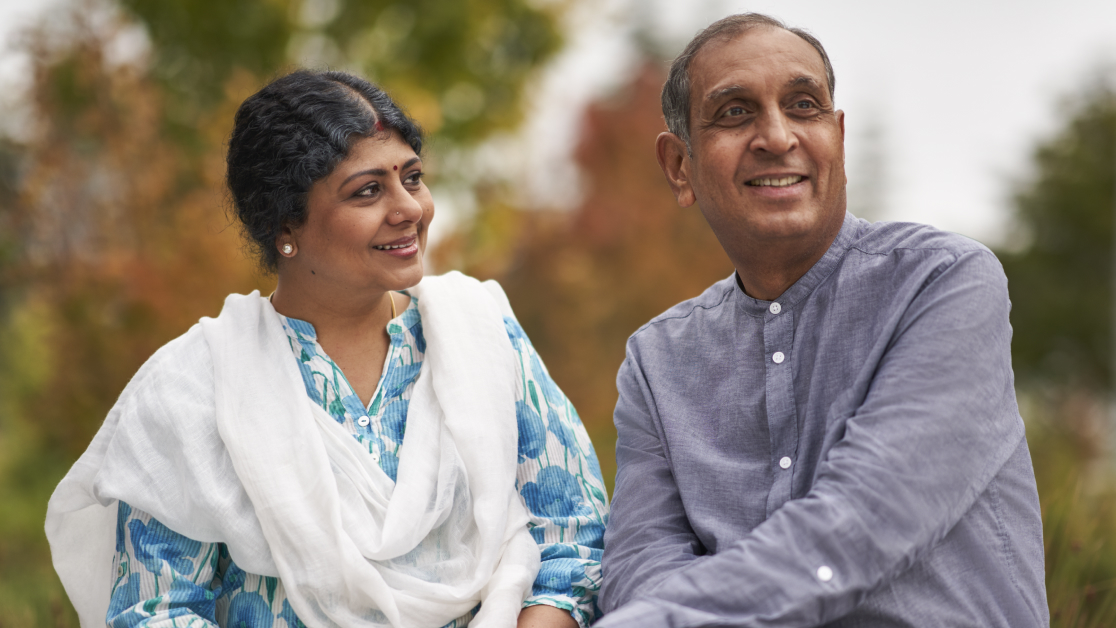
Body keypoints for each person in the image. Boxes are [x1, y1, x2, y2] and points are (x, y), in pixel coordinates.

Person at [45, 70, 608, 628]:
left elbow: (574, 539)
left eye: (412, 178)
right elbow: (155, 611)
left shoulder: (480, 333)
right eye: (368, 190)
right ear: (285, 223)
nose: (409, 208)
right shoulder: (198, 386)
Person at [597, 13, 1047, 627]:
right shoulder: (658, 360)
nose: (777, 136)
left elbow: (869, 517)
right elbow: (637, 564)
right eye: (734, 112)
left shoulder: (942, 282)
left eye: (803, 106)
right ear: (680, 166)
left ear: (837, 136)